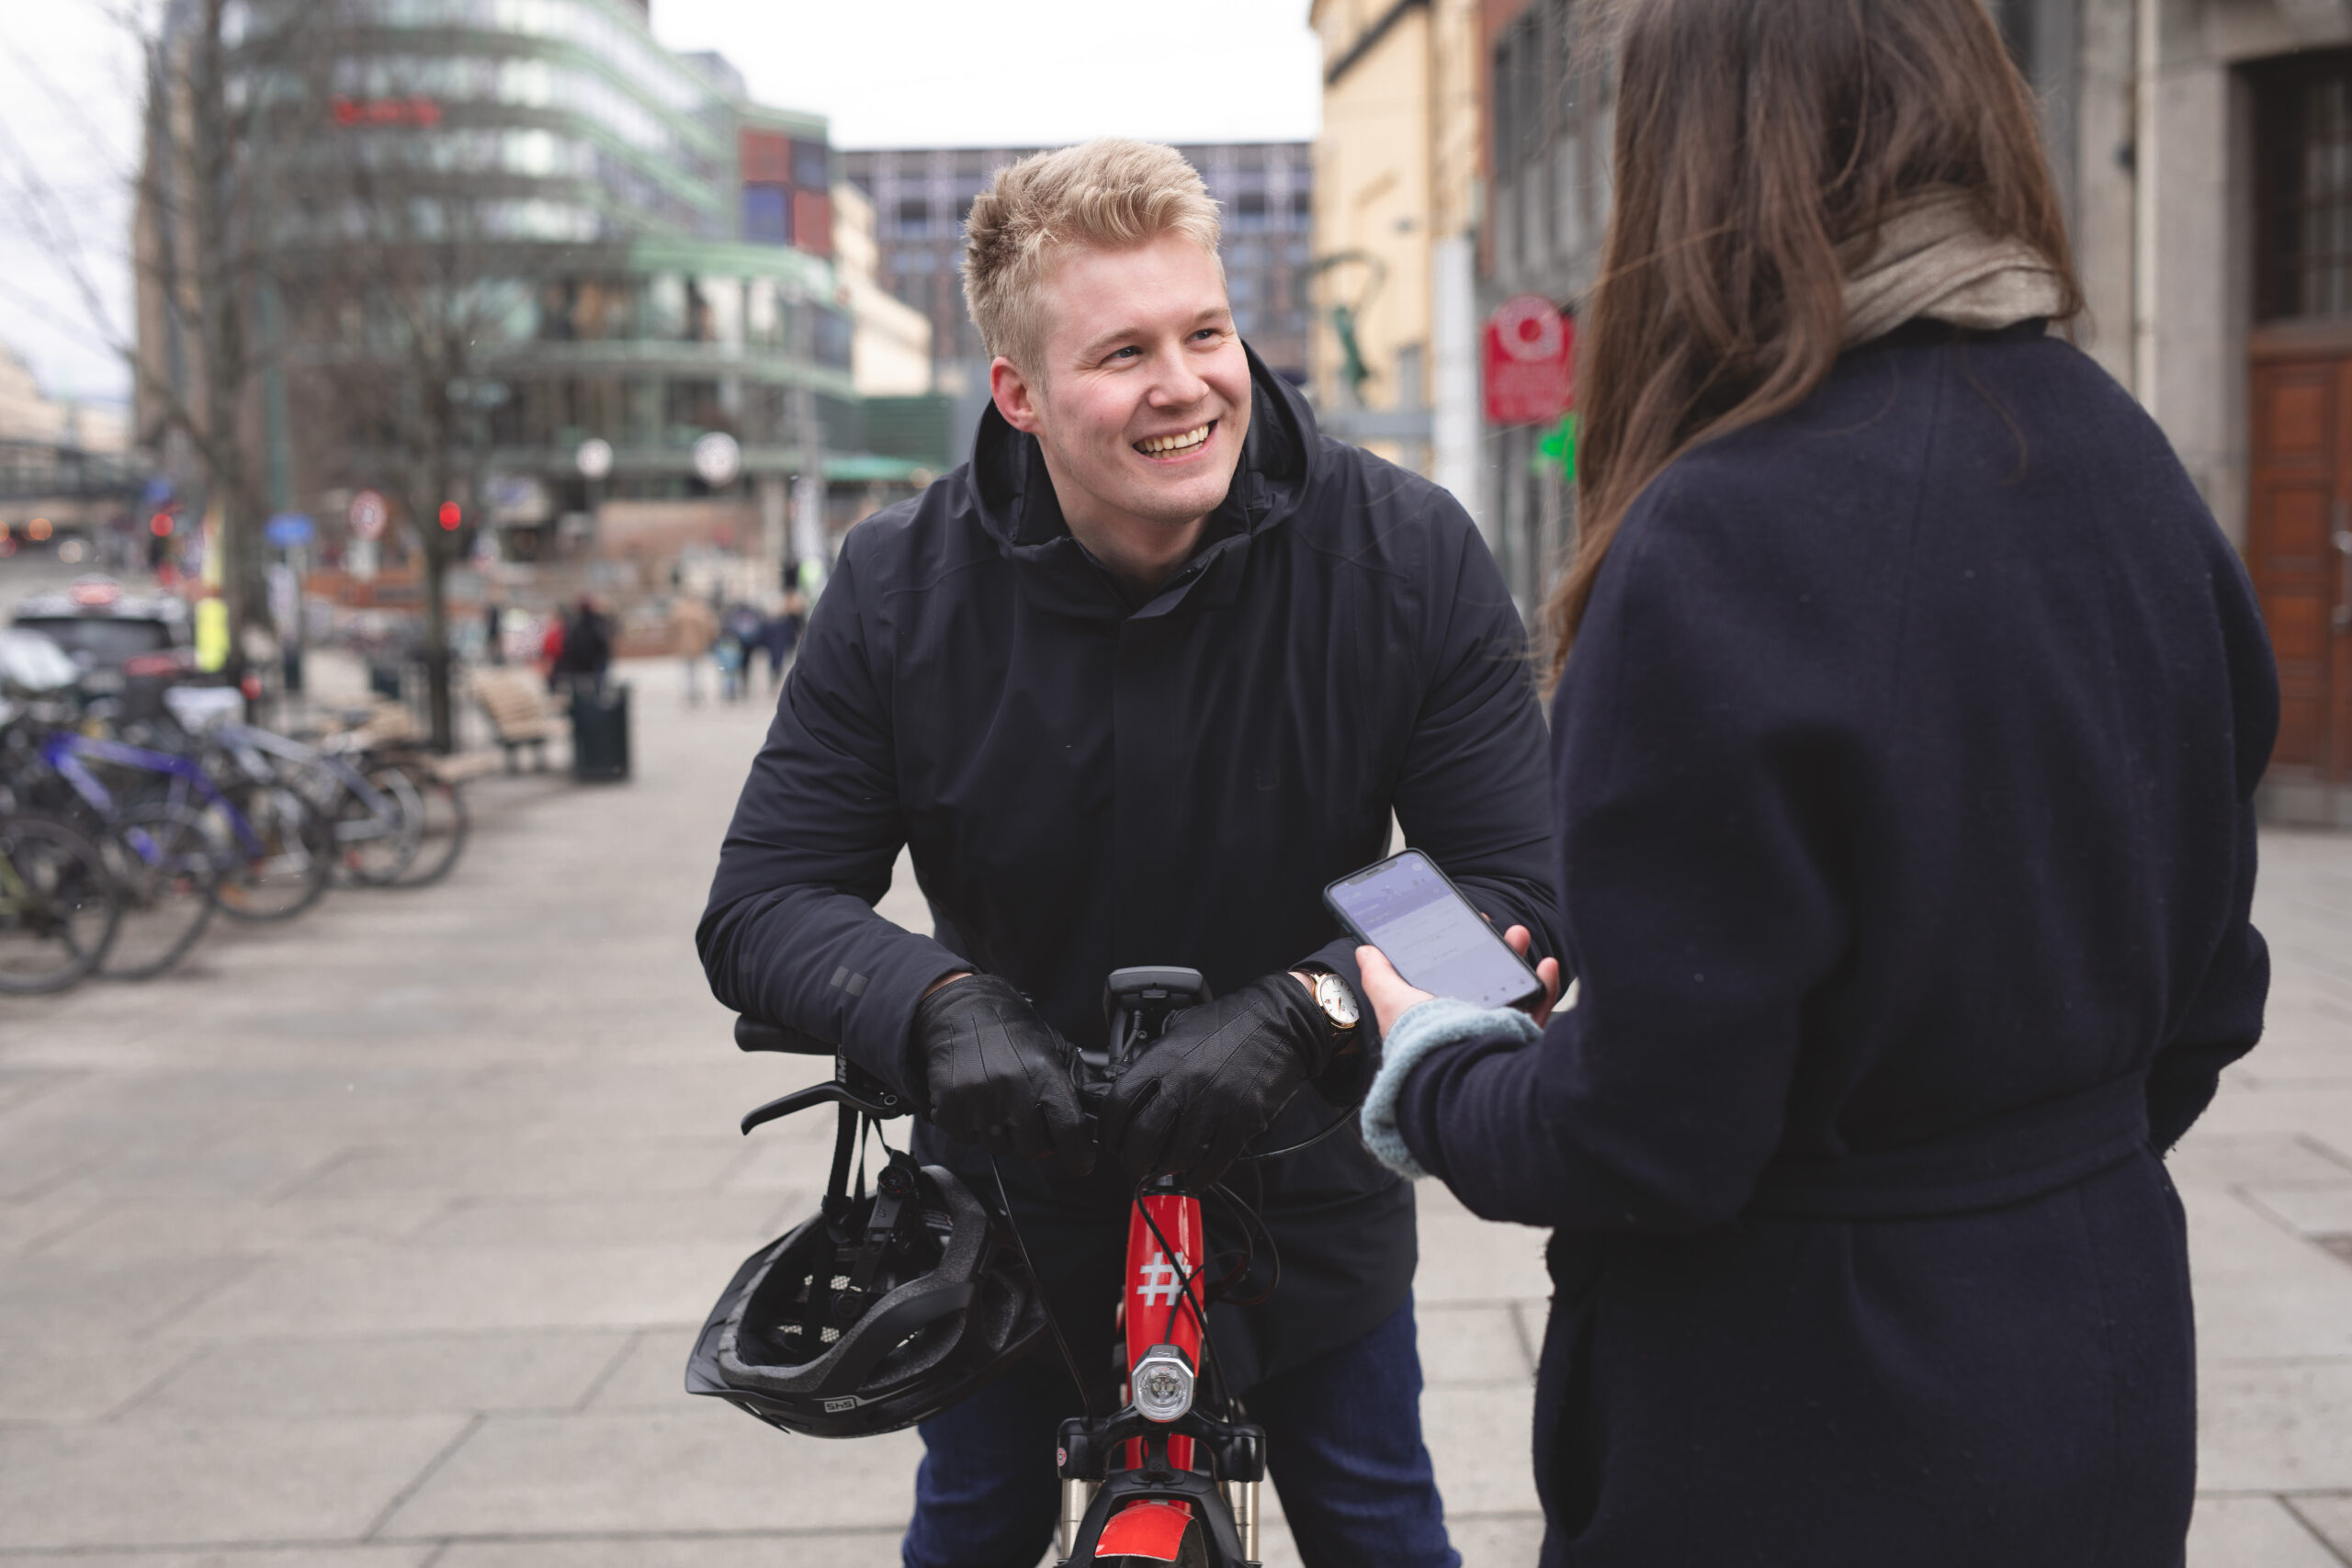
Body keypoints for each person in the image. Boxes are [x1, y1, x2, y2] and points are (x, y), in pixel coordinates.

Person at [1350, 4, 2280, 1565]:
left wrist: (1439, 1065)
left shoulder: (1719, 535)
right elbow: (2213, 994)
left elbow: (1652, 1137)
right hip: (2101, 1362)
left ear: (1694, 169)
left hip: (1801, 1415)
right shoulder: (2127, 459)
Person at [700, 140, 1561, 1568]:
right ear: (1020, 393)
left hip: (1303, 1185)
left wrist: (1317, 998)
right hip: (1005, 1201)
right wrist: (937, 1004)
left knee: (1379, 1523)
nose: (1186, 384)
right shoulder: (900, 585)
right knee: (972, 1523)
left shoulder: (1402, 554)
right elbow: (766, 900)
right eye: (1124, 351)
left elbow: (1517, 891)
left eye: (1206, 332)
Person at [672, 592, 718, 706]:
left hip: (684, 645)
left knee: (688, 670)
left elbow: (672, 627)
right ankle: (695, 691)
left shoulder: (680, 611)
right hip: (698, 645)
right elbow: (709, 627)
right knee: (696, 670)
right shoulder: (700, 611)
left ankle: (690, 691)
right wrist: (708, 640)